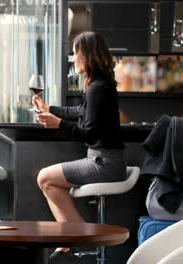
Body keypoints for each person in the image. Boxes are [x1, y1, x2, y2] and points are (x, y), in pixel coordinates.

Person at [33, 31, 126, 262]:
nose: (73, 59)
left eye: (75, 54)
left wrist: (58, 124)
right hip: (104, 160)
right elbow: (80, 113)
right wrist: (50, 108)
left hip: (104, 163)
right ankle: (70, 237)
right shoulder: (97, 84)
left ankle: (79, 235)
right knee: (47, 181)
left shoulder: (98, 87)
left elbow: (90, 134)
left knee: (45, 178)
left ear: (87, 54)